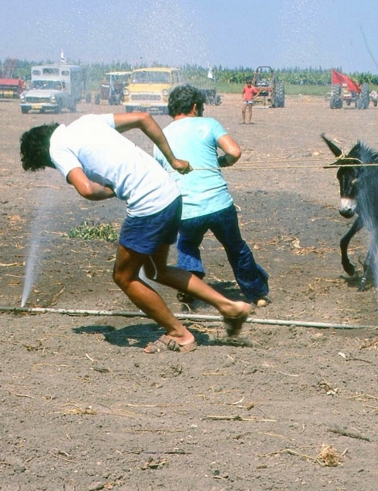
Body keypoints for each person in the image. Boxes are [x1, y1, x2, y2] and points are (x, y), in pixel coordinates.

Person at [19, 112, 252, 352]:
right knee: (157, 270)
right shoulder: (88, 121)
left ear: (43, 155)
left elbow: (86, 189)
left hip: (148, 206)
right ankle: (230, 307)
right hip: (170, 193)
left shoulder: (57, 148)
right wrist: (172, 160)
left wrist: (113, 189)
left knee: (124, 277)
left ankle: (179, 334)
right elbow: (144, 118)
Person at [155, 84, 270, 308]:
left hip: (186, 208)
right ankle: (257, 294)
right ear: (195, 106)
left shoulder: (162, 136)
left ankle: (190, 290)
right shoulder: (209, 124)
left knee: (187, 246)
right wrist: (220, 163)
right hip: (219, 205)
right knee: (235, 247)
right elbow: (234, 152)